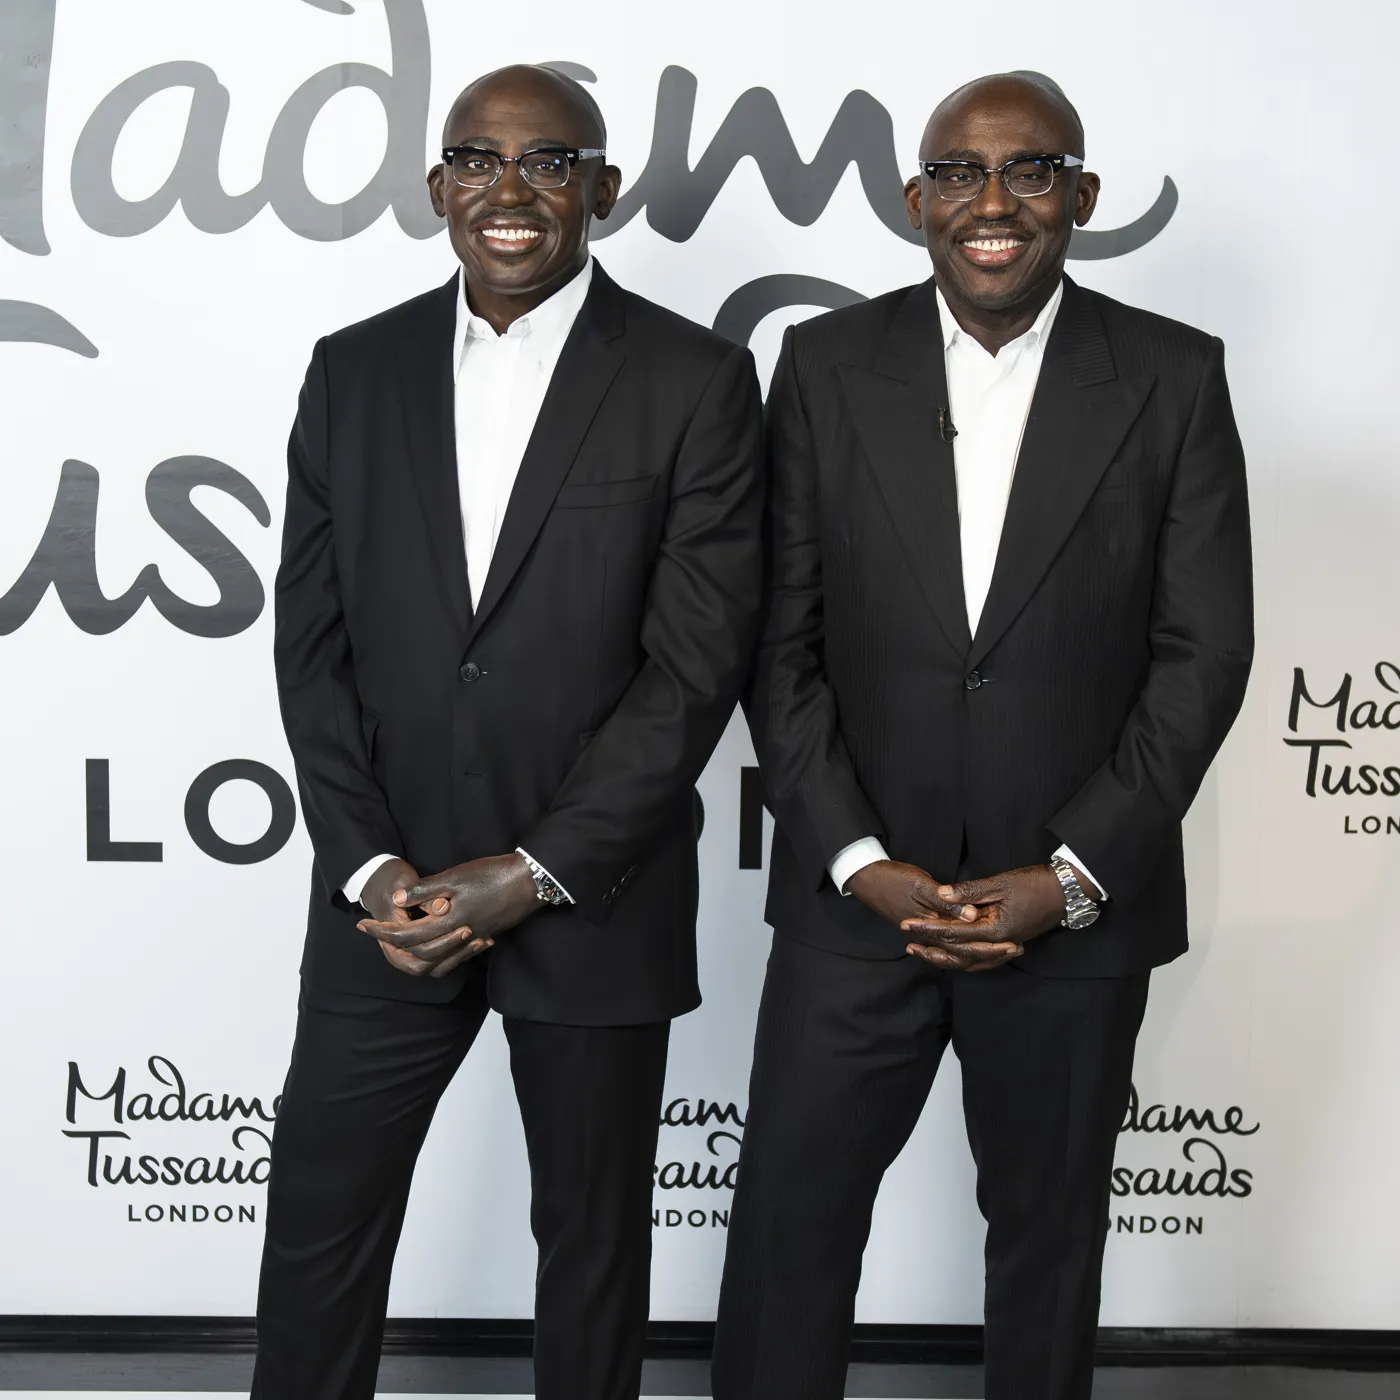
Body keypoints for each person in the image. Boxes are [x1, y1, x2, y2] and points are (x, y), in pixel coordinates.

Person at [712, 71, 1252, 1400]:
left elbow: (1203, 656)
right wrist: (853, 857)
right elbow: (778, 644)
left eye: (1029, 171)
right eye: (959, 174)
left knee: (1049, 1249)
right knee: (790, 1233)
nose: (993, 202)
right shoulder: (824, 366)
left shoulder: (1176, 377)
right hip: (857, 910)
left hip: (1068, 917)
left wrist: (1066, 878)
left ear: (1082, 197)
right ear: (916, 201)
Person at [254, 63, 763, 1400]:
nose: (511, 190)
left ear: (601, 188)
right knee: (318, 1230)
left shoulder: (697, 382)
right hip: (388, 899)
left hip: (595, 900)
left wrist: (532, 870)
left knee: (591, 1249)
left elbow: (691, 670)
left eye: (550, 162)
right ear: (438, 187)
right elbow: (309, 648)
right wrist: (370, 866)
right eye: (478, 160)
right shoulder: (352, 373)